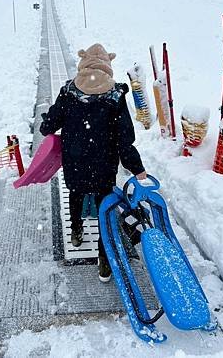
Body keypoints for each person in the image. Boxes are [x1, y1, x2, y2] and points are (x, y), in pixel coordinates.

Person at [40, 44, 146, 282]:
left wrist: (48, 120)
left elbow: (48, 127)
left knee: (75, 195)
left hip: (75, 163)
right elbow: (124, 140)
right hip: (103, 167)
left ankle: (76, 231)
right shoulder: (116, 96)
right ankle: (104, 262)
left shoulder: (68, 91)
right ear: (108, 67)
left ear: (83, 64)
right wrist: (137, 168)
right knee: (103, 209)